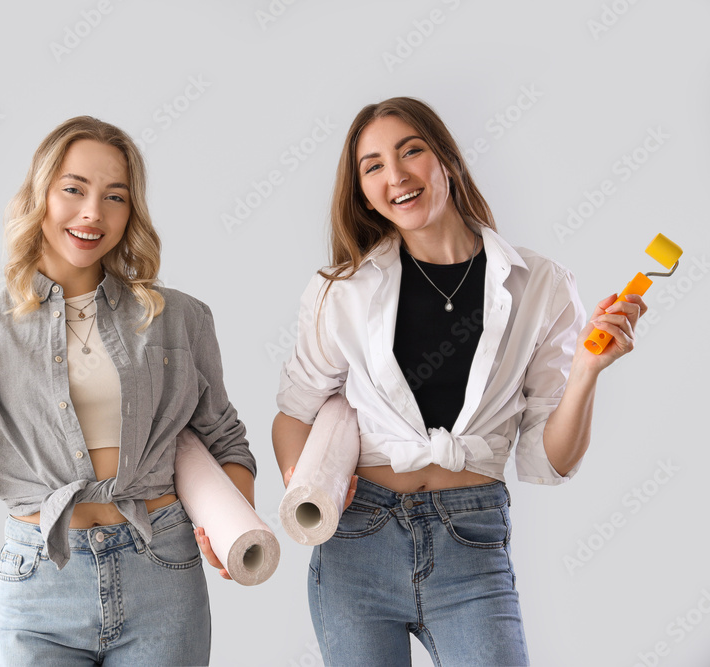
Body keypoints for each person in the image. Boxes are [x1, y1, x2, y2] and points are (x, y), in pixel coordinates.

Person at [0, 116, 256, 666]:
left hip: (162, 571)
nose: (93, 212)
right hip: (42, 582)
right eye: (74, 189)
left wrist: (232, 525)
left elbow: (226, 441)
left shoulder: (179, 317)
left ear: (131, 212)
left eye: (115, 196)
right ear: (40, 196)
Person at [272, 97, 646, 666]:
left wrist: (587, 373)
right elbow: (296, 412)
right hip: (357, 539)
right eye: (372, 166)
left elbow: (551, 460)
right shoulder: (339, 291)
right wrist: (308, 485)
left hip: (470, 538)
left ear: (445, 159)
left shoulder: (539, 285)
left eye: (410, 151)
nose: (395, 175)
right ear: (362, 191)